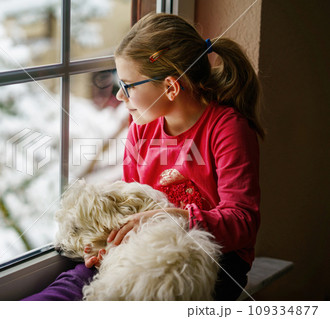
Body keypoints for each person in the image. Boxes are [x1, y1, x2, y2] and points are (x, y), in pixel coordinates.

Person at [23, 12, 263, 301]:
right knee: (73, 282)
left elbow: (243, 222)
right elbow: (133, 206)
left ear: (171, 87)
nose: (120, 96)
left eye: (127, 85)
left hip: (215, 259)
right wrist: (108, 242)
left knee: (145, 292)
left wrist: (171, 219)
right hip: (143, 246)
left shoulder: (227, 129)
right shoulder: (141, 129)